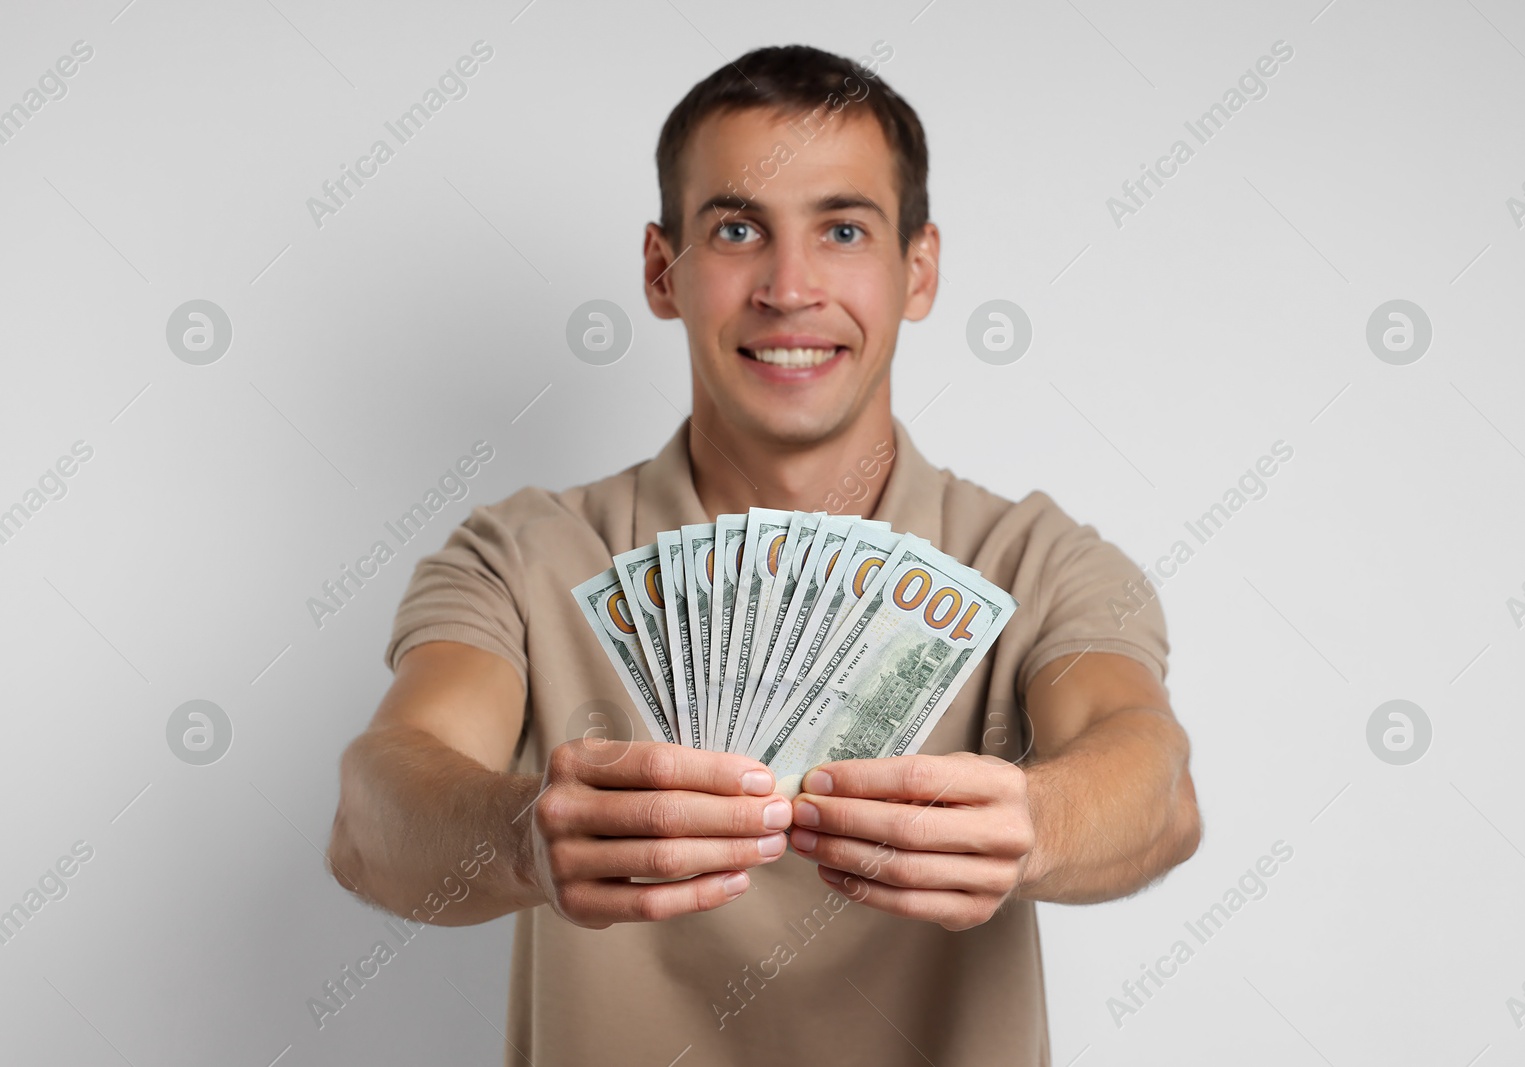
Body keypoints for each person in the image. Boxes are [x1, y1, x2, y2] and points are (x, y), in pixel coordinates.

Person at [327, 42, 1200, 1067]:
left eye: (841, 229)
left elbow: (1153, 780)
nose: (790, 288)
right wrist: (524, 832)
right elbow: (373, 811)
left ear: (917, 270)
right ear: (664, 271)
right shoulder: (521, 555)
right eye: (737, 228)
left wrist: (1041, 819)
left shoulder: (1035, 558)